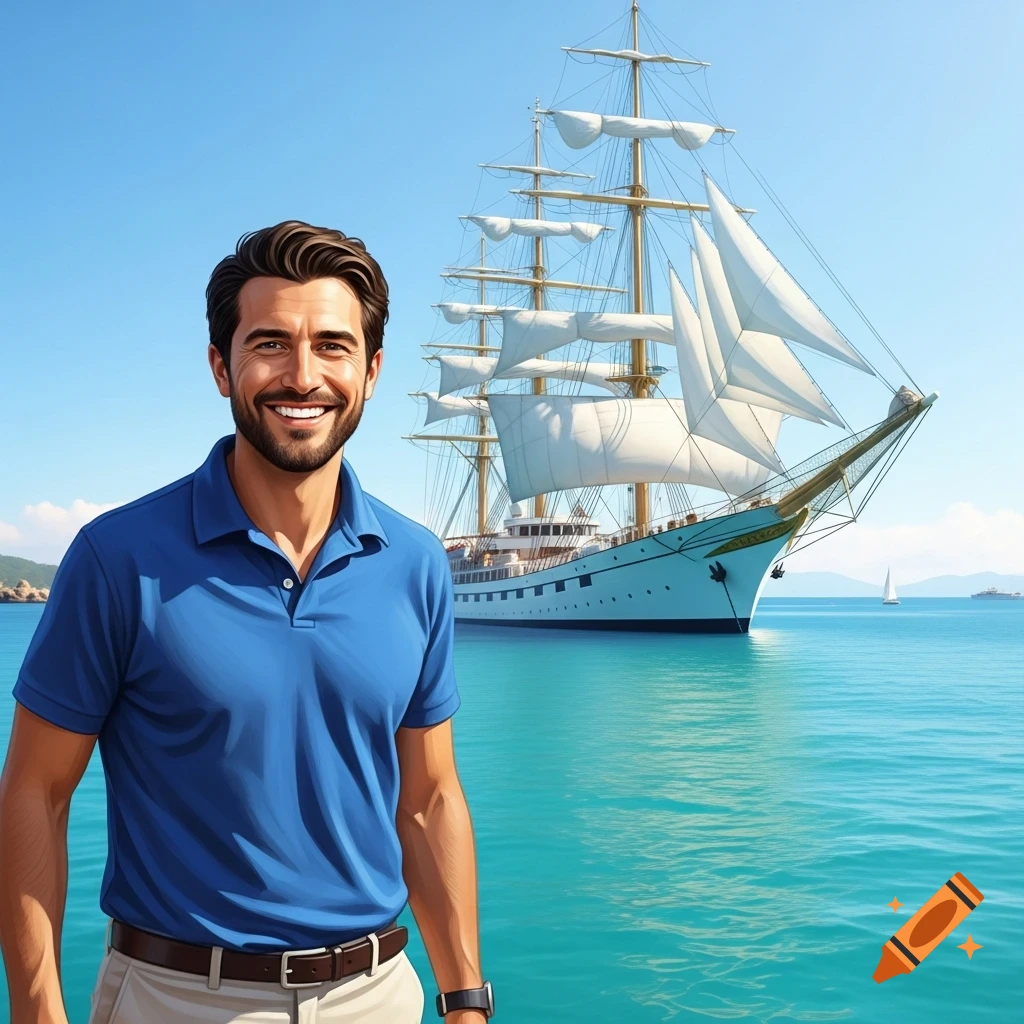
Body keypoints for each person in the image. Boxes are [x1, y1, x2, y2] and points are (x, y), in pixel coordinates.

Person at [0, 222, 494, 1023]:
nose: (303, 376)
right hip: (174, 998)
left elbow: (430, 799)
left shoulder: (415, 564)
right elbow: (36, 794)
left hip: (380, 996)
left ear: (369, 372)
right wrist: (35, 1011)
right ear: (220, 365)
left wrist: (466, 997)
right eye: (270, 343)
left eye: (333, 346)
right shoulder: (116, 558)